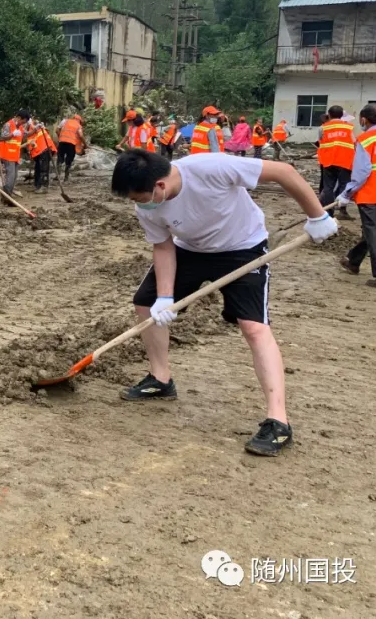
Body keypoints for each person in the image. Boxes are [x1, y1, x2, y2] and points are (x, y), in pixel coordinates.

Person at [111, 149, 338, 456]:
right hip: (190, 250)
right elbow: (163, 248)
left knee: (254, 327)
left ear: (160, 186)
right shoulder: (148, 205)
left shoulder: (211, 168)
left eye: (139, 198)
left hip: (242, 248)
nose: (138, 204)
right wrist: (165, 297)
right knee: (145, 302)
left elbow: (283, 171)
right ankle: (161, 378)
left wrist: (317, 215)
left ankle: (278, 422)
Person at [337, 104, 376, 290]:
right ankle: (353, 261)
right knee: (371, 229)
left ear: (364, 119)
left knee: (372, 231)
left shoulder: (365, 139)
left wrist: (347, 193)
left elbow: (362, 171)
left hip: (370, 192)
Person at [317, 106, 355, 218]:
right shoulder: (348, 127)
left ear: (329, 114)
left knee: (328, 187)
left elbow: (320, 141)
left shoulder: (322, 127)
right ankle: (342, 210)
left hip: (327, 161)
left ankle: (329, 212)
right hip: (345, 160)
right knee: (344, 185)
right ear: (342, 115)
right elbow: (354, 142)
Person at [0, 110, 32, 196]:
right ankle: (7, 195)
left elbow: (25, 135)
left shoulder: (20, 127)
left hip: (15, 155)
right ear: (19, 118)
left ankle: (8, 194)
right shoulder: (8, 125)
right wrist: (12, 134)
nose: (23, 124)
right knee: (10, 176)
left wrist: (35, 129)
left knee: (14, 176)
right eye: (23, 121)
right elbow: (2, 137)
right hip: (7, 154)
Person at [27, 119, 56, 194]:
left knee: (43, 169)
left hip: (45, 149)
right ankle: (38, 186)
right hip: (39, 150)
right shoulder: (31, 128)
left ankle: (44, 187)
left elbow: (31, 140)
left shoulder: (33, 127)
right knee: (38, 168)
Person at [56, 113, 85, 181]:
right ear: (79, 120)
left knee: (60, 158)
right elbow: (80, 136)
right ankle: (66, 177)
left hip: (62, 142)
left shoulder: (65, 121)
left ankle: (58, 175)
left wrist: (60, 138)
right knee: (69, 161)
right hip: (71, 145)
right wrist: (85, 145)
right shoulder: (78, 126)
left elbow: (57, 130)